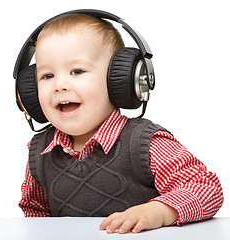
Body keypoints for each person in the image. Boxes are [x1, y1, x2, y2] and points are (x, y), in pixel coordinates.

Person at [17, 12, 224, 234]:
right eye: (47, 76)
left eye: (77, 71)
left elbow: (206, 188)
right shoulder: (39, 153)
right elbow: (35, 216)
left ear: (121, 80)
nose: (60, 85)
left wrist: (156, 212)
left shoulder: (146, 144)